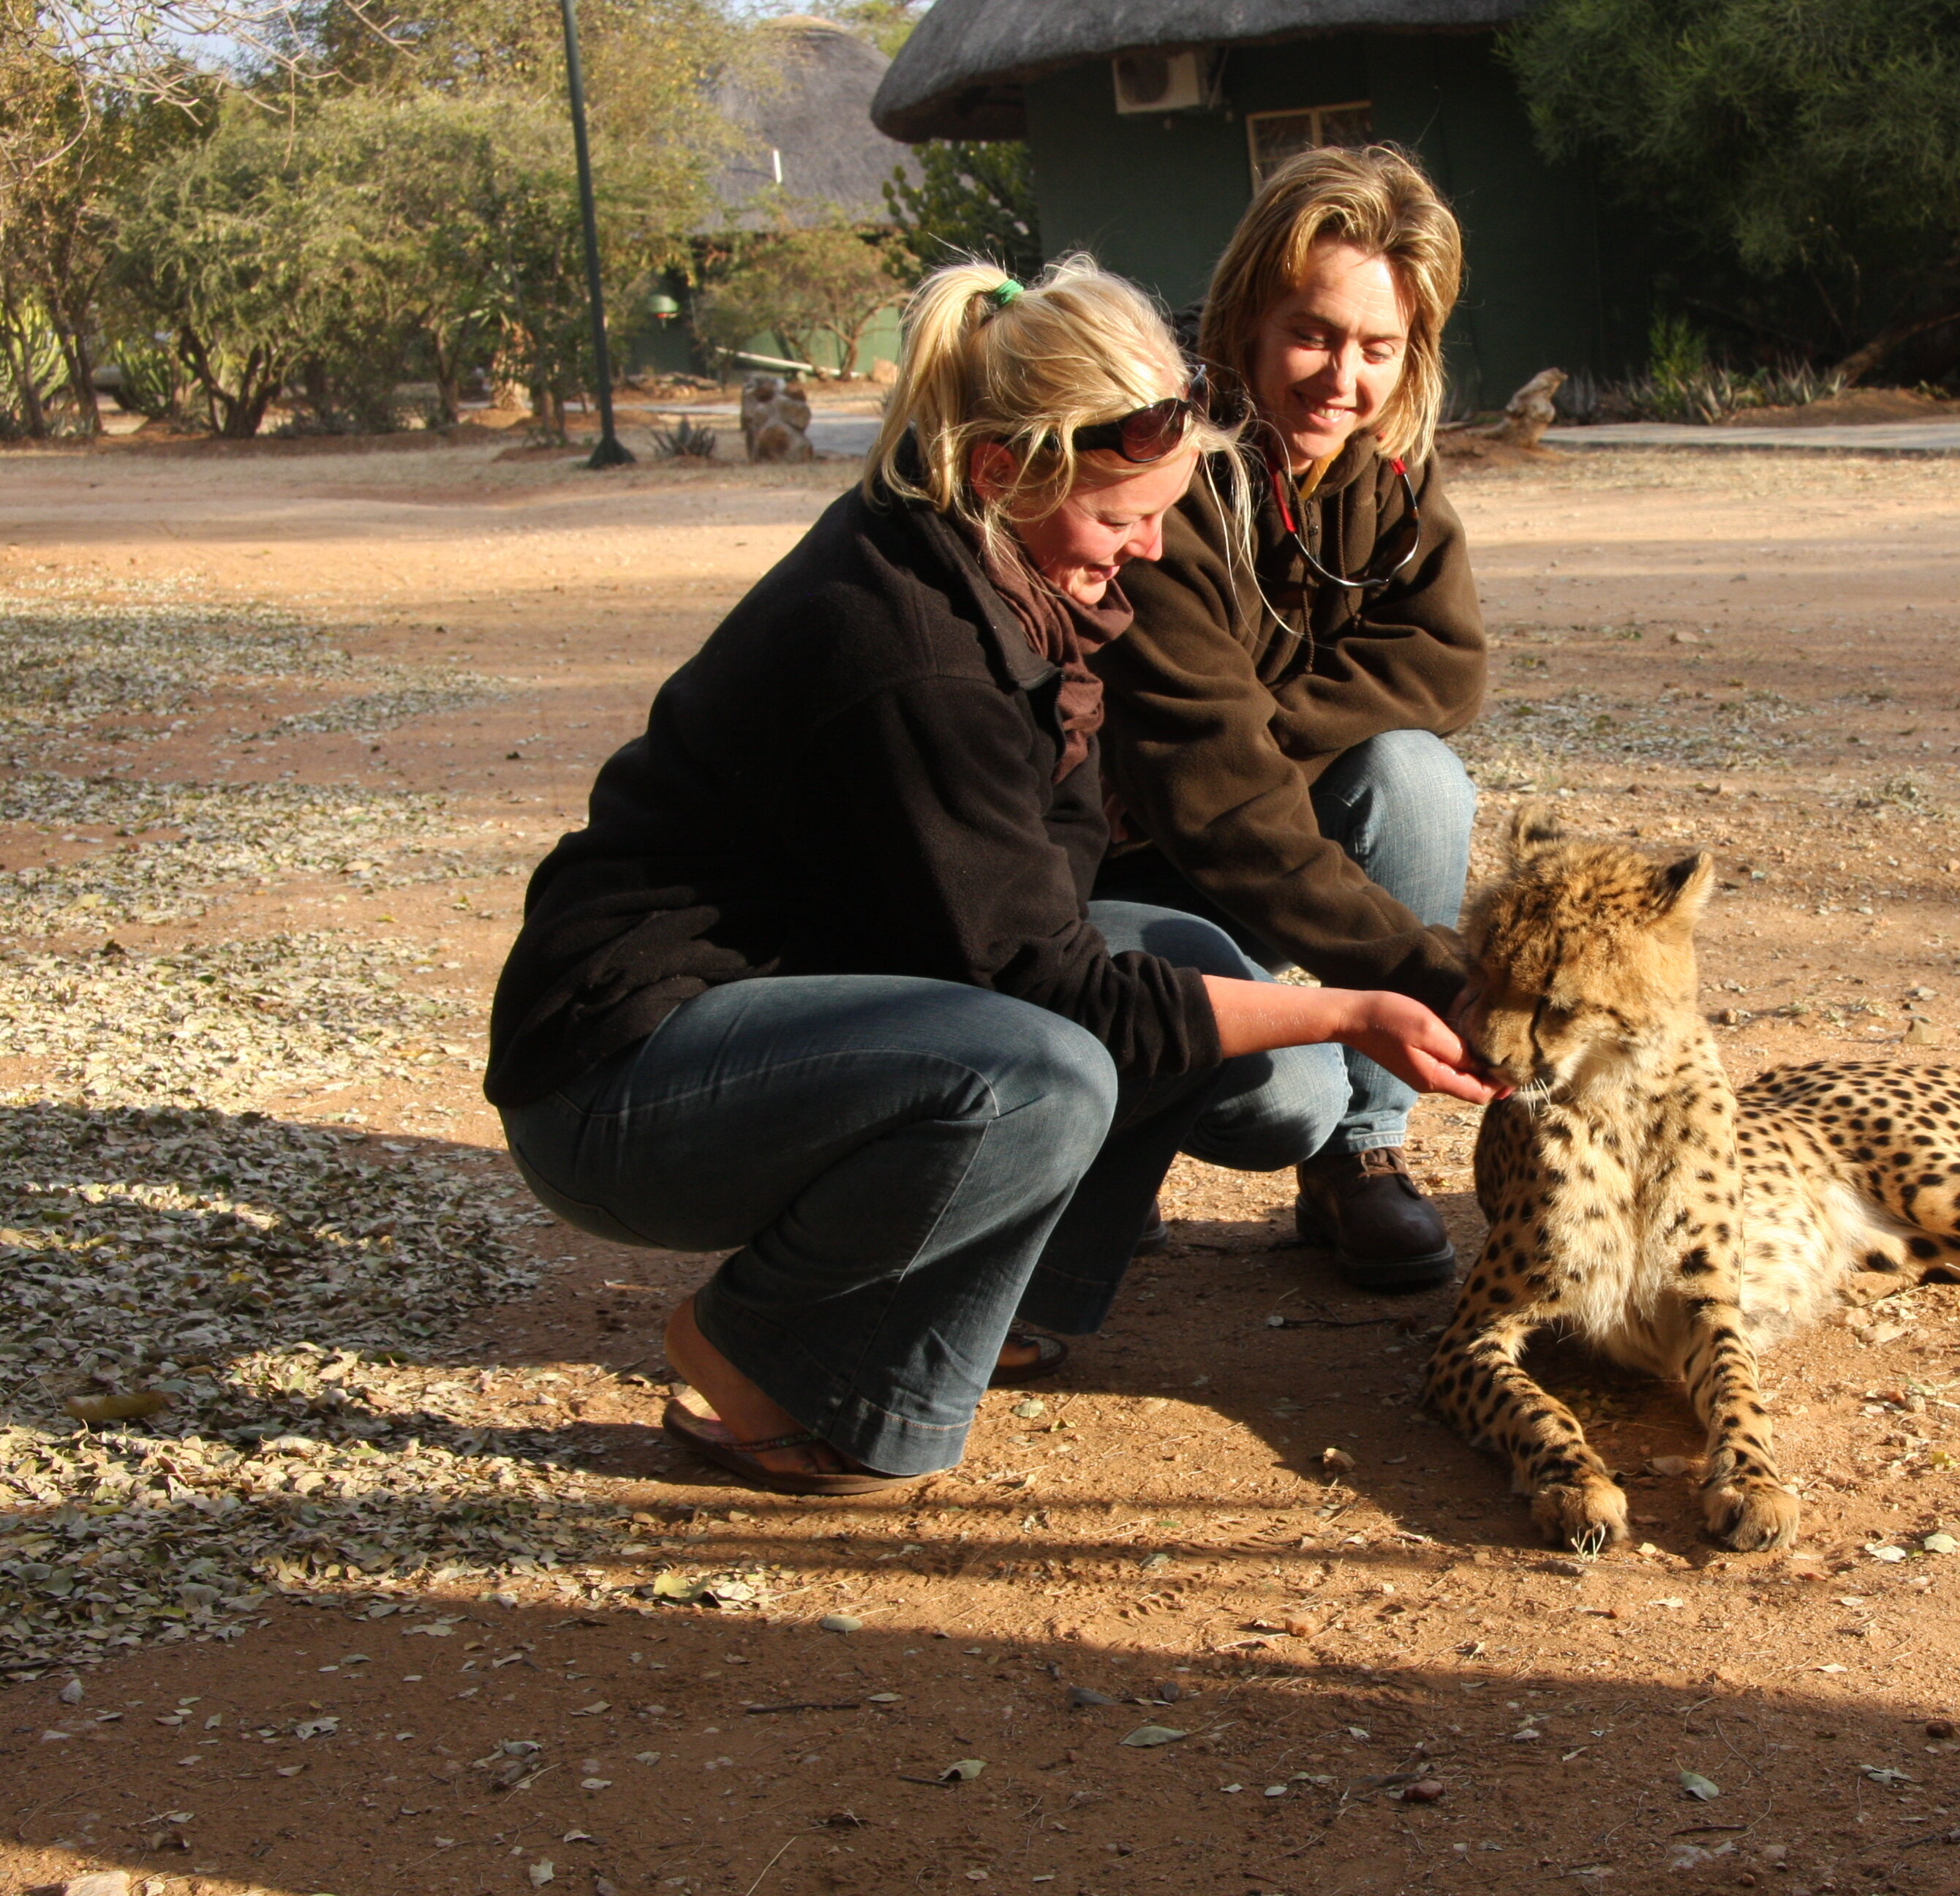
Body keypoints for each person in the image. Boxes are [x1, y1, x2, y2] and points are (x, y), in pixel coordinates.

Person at [482, 256, 1499, 1497]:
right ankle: (760, 1351)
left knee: (1174, 985)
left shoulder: (1011, 584)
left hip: (815, 988)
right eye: (1123, 520)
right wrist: (1346, 1007)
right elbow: (1055, 986)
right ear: (1001, 471)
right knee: (1049, 1069)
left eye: (1163, 515)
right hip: (621, 1084)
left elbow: (1056, 897)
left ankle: (1012, 1305)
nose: (1146, 551)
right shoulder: (911, 647)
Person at [1095, 144, 1485, 1291]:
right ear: (1245, 320)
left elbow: (1445, 663)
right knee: (1274, 1097)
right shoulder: (1163, 461)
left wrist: (1269, 728)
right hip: (1141, 846)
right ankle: (1112, 1148)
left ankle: (1363, 1158)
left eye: (1378, 348)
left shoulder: (1392, 472)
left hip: (1247, 804)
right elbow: (1202, 788)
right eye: (1313, 334)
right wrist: (1430, 976)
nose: (1341, 381)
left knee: (1413, 774)